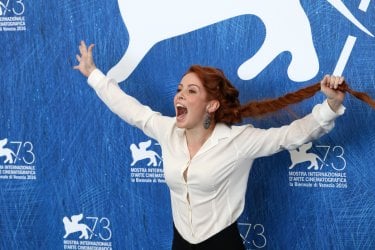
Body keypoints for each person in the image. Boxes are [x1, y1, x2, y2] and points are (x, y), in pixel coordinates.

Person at [74, 40, 345, 249]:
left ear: (211, 105)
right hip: (180, 243)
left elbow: (293, 135)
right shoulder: (167, 130)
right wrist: (92, 73)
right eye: (180, 89)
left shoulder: (238, 141)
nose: (180, 95)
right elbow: (129, 108)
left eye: (191, 91)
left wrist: (331, 104)